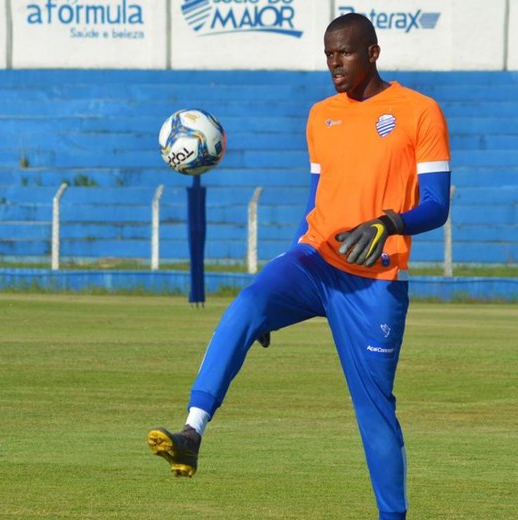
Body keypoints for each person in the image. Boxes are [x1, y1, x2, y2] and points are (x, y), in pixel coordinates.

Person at [147, 12, 451, 520]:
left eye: (345, 53)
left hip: (374, 280)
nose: (334, 63)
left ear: (372, 53)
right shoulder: (320, 115)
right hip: (313, 260)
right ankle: (192, 432)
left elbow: (438, 205)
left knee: (375, 412)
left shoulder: (420, 113)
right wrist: (281, 288)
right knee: (248, 304)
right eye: (328, 54)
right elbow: (318, 204)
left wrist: (387, 224)